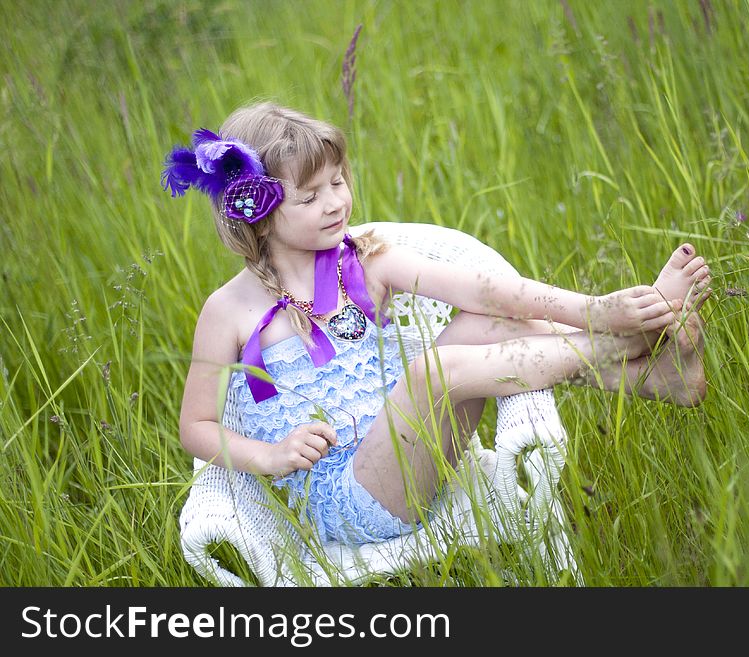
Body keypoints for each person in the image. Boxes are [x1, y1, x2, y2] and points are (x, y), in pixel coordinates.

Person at [167, 102, 712, 546]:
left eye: (338, 181)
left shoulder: (361, 260)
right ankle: (624, 347)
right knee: (434, 370)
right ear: (255, 212)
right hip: (349, 501)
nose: (336, 203)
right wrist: (271, 455)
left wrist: (593, 306)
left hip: (416, 449)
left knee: (486, 321)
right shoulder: (228, 311)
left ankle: (650, 373)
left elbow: (484, 288)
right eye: (310, 196)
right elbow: (195, 426)